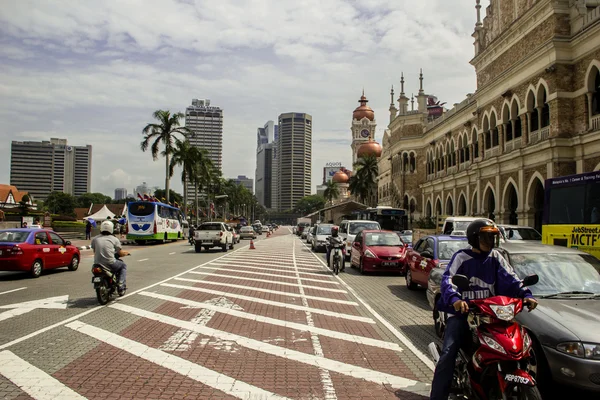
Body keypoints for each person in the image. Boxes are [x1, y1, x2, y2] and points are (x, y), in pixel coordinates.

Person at [430, 219, 538, 400]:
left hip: (492, 316)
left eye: (492, 237)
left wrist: (526, 294)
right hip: (463, 315)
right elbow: (448, 280)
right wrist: (456, 299)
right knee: (448, 354)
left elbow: (512, 278)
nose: (490, 241)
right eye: (486, 237)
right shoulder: (461, 257)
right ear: (474, 238)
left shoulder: (496, 257)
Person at [91, 221, 130, 294]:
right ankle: (121, 285)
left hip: (97, 263)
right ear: (111, 229)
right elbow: (120, 253)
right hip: (110, 263)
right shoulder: (114, 239)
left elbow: (94, 251)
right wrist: (125, 253)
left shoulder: (95, 239)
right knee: (123, 266)